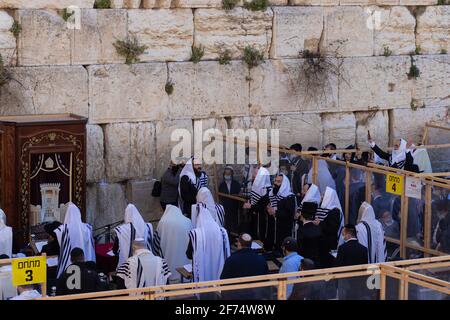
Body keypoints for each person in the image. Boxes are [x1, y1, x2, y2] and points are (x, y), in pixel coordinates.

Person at [186, 204, 230, 283]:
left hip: (203, 272)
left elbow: (189, 255)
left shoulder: (195, 234)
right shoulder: (222, 232)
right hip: (218, 271)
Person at [220, 233, 269, 299]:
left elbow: (223, 282)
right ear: (251, 244)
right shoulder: (261, 260)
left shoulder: (231, 260)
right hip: (256, 297)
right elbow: (266, 281)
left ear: (239, 244)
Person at [55, 203, 96, 278]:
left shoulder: (63, 229)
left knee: (69, 280)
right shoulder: (87, 228)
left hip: (70, 263)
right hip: (85, 260)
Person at [153, 205, 192, 282]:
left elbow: (156, 244)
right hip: (186, 267)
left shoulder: (163, 222)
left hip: (169, 265)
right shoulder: (188, 221)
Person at [114, 204, 157, 271]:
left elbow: (115, 250)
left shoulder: (121, 230)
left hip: (128, 266)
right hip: (147, 263)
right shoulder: (148, 227)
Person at [335, 224, 370, 300]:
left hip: (345, 282)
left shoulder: (342, 248)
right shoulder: (363, 249)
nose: (343, 236)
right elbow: (365, 267)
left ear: (348, 235)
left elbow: (337, 266)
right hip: (358, 282)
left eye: (343, 234)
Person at [266, 174, 297, 253]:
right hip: (273, 226)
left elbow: (289, 214)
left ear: (284, 184)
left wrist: (275, 212)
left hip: (284, 228)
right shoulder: (272, 194)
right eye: (275, 181)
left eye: (279, 182)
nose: (276, 183)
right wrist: (268, 209)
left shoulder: (289, 197)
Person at [243, 166, 271, 241]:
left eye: (256, 174)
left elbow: (262, 206)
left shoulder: (267, 190)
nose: (253, 176)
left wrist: (250, 206)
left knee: (260, 235)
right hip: (254, 216)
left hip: (262, 218)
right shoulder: (256, 186)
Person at [296, 202, 327, 268]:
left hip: (305, 264)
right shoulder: (319, 228)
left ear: (302, 215)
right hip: (318, 263)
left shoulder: (301, 230)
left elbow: (300, 249)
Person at [319, 187, 344, 254]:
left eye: (324, 195)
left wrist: (319, 223)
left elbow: (332, 228)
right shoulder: (325, 208)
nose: (321, 197)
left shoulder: (335, 211)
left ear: (328, 197)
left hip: (329, 243)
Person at [218, 166, 241, 234]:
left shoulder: (236, 184)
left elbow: (238, 194)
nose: (227, 175)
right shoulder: (221, 185)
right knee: (227, 224)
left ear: (231, 174)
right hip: (226, 208)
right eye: (226, 174)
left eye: (229, 174)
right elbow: (220, 196)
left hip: (234, 208)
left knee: (234, 223)